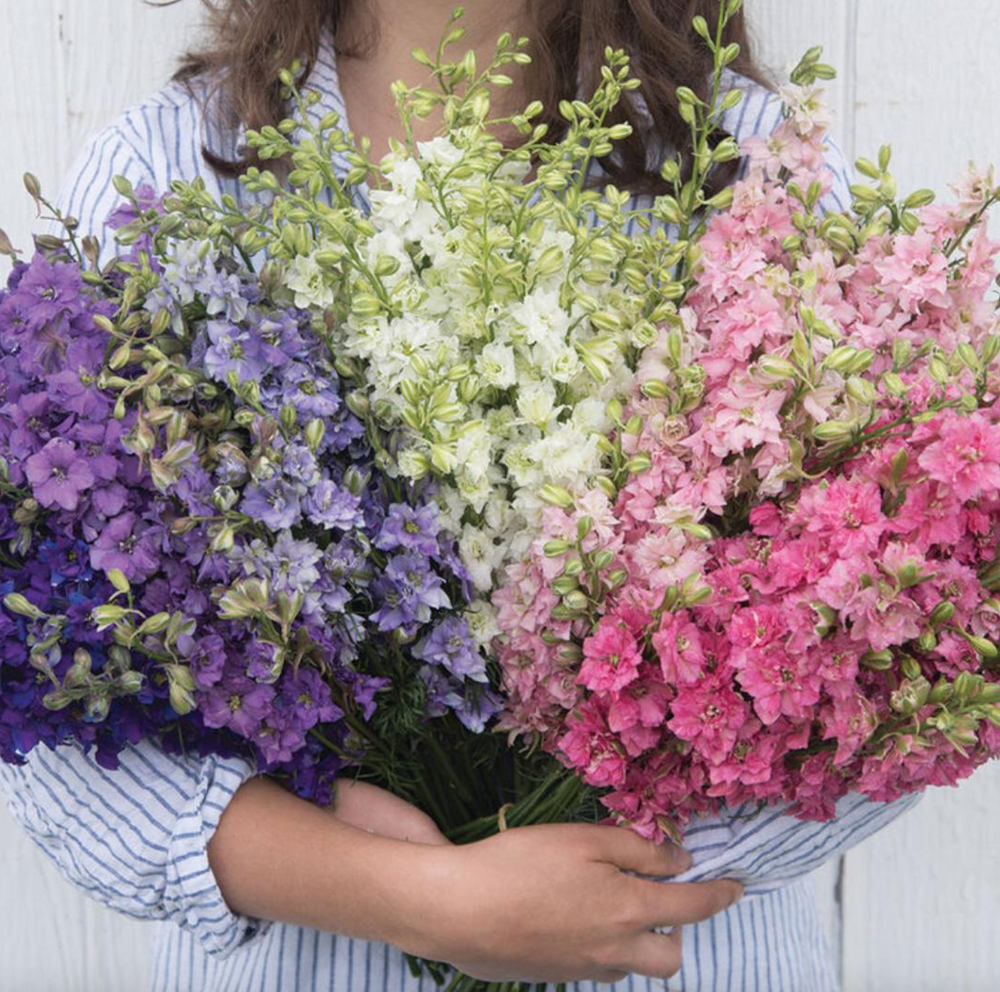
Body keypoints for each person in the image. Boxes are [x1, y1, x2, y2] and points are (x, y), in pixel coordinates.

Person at [0, 1, 919, 989]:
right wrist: (415, 897)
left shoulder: (752, 162)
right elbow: (50, 727)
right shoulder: (168, 168)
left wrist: (584, 870)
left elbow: (901, 649)